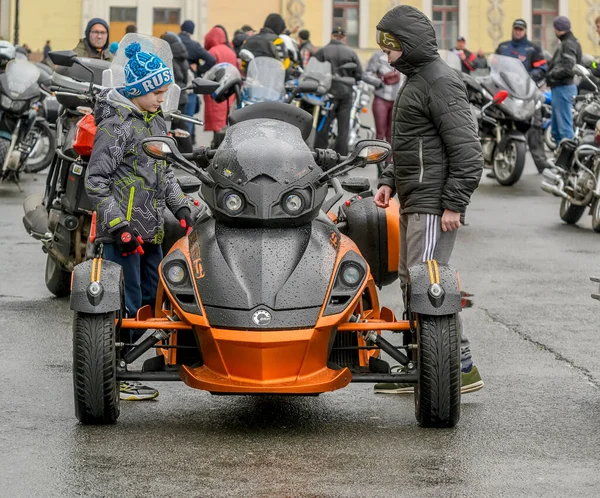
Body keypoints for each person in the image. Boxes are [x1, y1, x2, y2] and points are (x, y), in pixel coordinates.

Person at [372, 5, 484, 395]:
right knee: (413, 280)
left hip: (434, 204)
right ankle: (423, 364)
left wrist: (454, 202)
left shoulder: (439, 81)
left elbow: (468, 150)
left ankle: (458, 368)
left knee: (431, 286)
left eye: (391, 47)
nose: (386, 56)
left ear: (409, 44)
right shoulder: (418, 79)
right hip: (416, 199)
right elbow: (410, 144)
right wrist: (389, 179)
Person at [85, 41, 193, 401]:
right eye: (157, 92)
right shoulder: (116, 127)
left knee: (152, 298)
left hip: (152, 231)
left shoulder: (156, 121)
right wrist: (118, 225)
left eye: (164, 92)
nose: (163, 98)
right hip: (124, 236)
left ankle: (140, 358)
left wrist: (181, 208)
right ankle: (117, 371)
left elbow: (167, 174)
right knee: (124, 302)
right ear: (139, 91)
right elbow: (96, 181)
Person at [495, 18, 549, 174]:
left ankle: (542, 165)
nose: (518, 31)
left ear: (525, 31)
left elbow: (543, 68)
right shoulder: (503, 46)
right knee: (501, 124)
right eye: (516, 29)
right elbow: (494, 66)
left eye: (521, 29)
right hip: (506, 93)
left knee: (534, 126)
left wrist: (527, 76)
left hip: (527, 93)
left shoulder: (533, 48)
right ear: (512, 29)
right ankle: (499, 161)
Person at [312, 27, 362, 156]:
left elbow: (313, 72)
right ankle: (342, 160)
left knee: (322, 127)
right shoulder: (351, 52)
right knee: (343, 129)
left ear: (331, 36)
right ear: (343, 37)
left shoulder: (322, 51)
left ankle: (319, 158)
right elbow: (359, 75)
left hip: (326, 94)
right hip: (346, 94)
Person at [362, 50, 403, 174]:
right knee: (380, 134)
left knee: (392, 134)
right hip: (381, 98)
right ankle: (378, 163)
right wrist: (379, 82)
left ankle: (388, 165)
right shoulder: (378, 56)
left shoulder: (402, 54)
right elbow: (366, 75)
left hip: (397, 98)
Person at [547, 16, 581, 145]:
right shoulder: (569, 42)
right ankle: (560, 157)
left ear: (557, 28)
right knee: (556, 130)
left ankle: (568, 161)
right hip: (560, 88)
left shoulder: (568, 43)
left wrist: (551, 75)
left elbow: (568, 68)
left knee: (564, 129)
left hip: (563, 88)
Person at [179, 20, 216, 136]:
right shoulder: (194, 45)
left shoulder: (173, 41)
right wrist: (199, 70)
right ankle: (188, 144)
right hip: (190, 84)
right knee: (189, 117)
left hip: (174, 84)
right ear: (192, 31)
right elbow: (211, 60)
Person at [203, 25, 238, 147]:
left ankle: (216, 146)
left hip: (216, 90)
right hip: (230, 90)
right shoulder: (231, 51)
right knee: (225, 119)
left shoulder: (212, 51)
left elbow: (208, 73)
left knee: (216, 123)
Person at [160, 31, 190, 112]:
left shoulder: (167, 58)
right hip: (182, 95)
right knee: (180, 122)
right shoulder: (182, 57)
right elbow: (185, 79)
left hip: (170, 98)